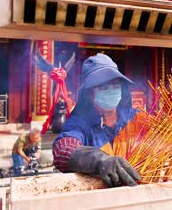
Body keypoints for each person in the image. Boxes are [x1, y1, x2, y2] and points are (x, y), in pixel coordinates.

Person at [52, 53, 142, 188]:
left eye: (115, 85)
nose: (111, 91)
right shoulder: (80, 123)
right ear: (90, 93)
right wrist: (101, 162)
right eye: (104, 87)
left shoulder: (134, 117)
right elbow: (63, 149)